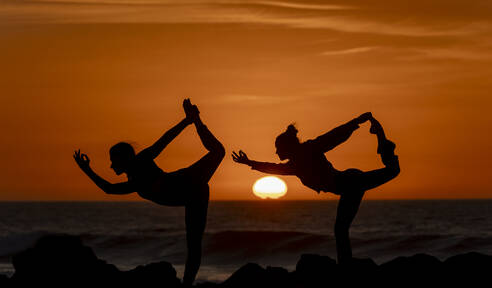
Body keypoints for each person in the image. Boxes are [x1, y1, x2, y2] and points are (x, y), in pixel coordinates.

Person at [73, 99, 225, 285]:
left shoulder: (142, 162)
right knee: (193, 244)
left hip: (186, 181)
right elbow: (109, 188)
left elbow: (164, 140)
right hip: (193, 194)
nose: (111, 165)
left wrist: (186, 122)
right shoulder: (135, 182)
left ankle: (196, 120)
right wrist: (86, 169)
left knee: (218, 151)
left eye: (113, 160)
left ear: (125, 159)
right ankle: (187, 284)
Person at [232, 112, 400, 264]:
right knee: (341, 228)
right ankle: (345, 264)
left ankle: (345, 266)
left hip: (351, 182)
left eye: (278, 148)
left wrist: (356, 122)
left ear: (287, 147)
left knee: (341, 227)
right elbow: (273, 168)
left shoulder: (310, 149)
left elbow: (334, 136)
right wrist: (249, 162)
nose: (276, 152)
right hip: (349, 184)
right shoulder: (294, 165)